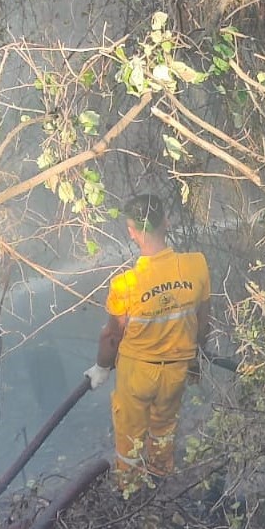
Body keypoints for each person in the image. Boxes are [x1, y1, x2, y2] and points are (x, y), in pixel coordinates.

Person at [84, 194, 210, 478]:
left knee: (129, 441)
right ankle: (161, 480)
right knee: (163, 430)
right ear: (166, 222)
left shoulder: (126, 284)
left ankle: (129, 490)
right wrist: (195, 361)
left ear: (132, 232)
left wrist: (102, 368)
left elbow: (111, 337)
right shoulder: (196, 265)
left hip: (137, 376)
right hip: (176, 371)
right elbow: (203, 322)